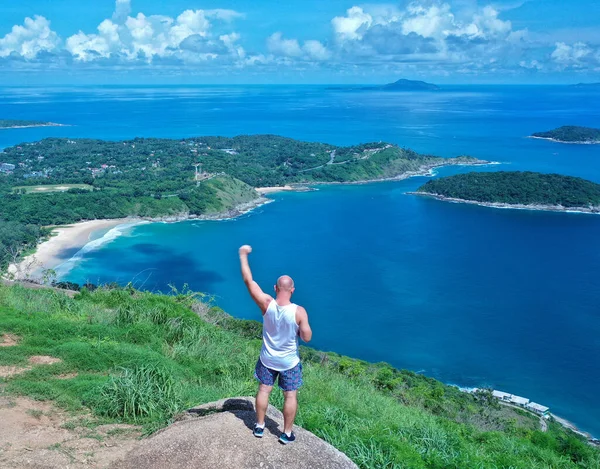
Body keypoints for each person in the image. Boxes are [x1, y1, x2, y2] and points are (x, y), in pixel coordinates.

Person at [238, 244, 312, 444]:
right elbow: (306, 337)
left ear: (275, 288)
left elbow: (248, 280)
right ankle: (286, 433)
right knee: (290, 396)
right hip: (289, 362)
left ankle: (260, 426)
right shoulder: (299, 311)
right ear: (292, 290)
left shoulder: (266, 304)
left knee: (264, 390)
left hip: (267, 359)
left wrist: (243, 255)